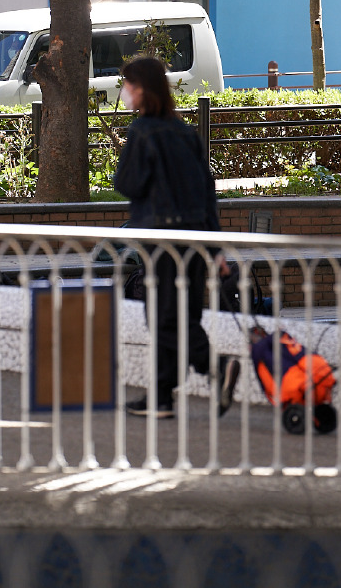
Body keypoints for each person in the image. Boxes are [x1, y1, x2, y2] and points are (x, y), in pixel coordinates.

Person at [112, 57, 241, 420]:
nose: (125, 92)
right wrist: (215, 249)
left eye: (129, 85)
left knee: (164, 318)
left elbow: (126, 184)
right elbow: (206, 192)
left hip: (161, 240)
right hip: (195, 240)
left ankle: (214, 368)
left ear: (142, 90)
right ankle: (162, 397)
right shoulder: (186, 133)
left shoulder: (142, 132)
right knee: (182, 314)